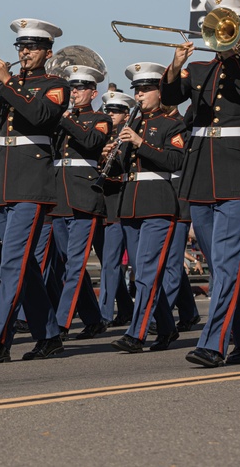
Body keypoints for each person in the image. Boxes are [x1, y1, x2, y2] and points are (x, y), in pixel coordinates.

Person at [160, 0, 240, 368]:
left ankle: (213, 343)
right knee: (219, 263)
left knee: (226, 264)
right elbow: (170, 96)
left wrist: (232, 60)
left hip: (238, 175)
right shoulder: (200, 68)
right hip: (201, 174)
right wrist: (175, 67)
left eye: (233, 25)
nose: (227, 32)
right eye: (223, 25)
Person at [0, 18, 70, 363]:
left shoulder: (55, 83)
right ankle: (50, 335)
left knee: (11, 263)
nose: (24, 52)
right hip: (2, 180)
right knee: (22, 266)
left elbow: (40, 116)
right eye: (20, 47)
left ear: (47, 51)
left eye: (31, 47)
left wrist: (7, 81)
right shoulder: (5, 87)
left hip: (31, 182)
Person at [110, 62, 187, 354]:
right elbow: (125, 167)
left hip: (158, 202)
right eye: (137, 91)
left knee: (145, 272)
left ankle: (137, 333)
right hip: (130, 202)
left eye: (145, 90)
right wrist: (113, 154)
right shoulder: (131, 124)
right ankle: (167, 328)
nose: (139, 96)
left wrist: (140, 142)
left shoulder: (172, 125)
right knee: (142, 270)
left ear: (160, 92)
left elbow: (175, 161)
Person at [49, 64, 111, 340]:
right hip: (59, 196)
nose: (74, 93)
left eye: (80, 88)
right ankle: (93, 318)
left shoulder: (99, 118)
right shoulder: (62, 119)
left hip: (84, 196)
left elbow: (91, 141)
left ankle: (61, 323)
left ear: (93, 92)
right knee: (66, 263)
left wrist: (65, 118)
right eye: (72, 88)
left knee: (75, 263)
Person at [96, 91, 136, 329]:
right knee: (108, 261)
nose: (110, 115)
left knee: (113, 262)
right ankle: (126, 307)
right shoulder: (102, 135)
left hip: (121, 202)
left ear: (126, 114)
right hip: (103, 204)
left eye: (115, 111)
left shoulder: (130, 136)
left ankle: (104, 313)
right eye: (108, 111)